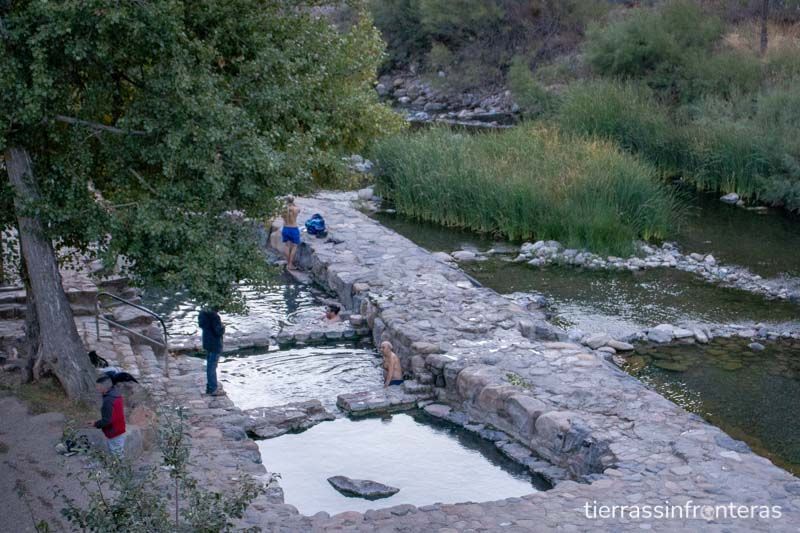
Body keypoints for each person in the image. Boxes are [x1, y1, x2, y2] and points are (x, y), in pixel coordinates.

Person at [87, 374, 126, 458]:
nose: (97, 388)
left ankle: (119, 467)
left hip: (114, 432)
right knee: (118, 454)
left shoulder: (108, 400)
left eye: (98, 386)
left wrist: (95, 423)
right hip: (120, 428)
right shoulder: (116, 394)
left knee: (117, 456)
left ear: (103, 387)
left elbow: (107, 420)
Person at [198, 308, 225, 396]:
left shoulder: (202, 313)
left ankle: (210, 387)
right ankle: (213, 388)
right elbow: (218, 331)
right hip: (215, 344)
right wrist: (223, 327)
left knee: (210, 365)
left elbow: (202, 325)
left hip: (207, 342)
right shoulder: (214, 316)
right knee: (212, 367)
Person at [281, 195, 301, 270]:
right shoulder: (296, 209)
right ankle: (290, 264)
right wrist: (293, 204)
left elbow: (282, 216)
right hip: (293, 229)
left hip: (285, 228)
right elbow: (299, 210)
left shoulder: (283, 209)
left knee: (287, 245)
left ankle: (287, 262)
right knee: (294, 246)